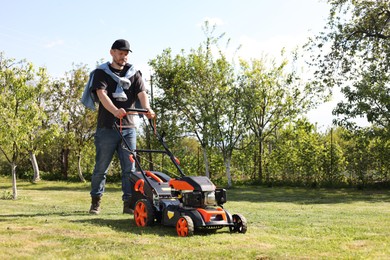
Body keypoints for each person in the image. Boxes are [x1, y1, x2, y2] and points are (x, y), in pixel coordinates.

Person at [89, 39, 155, 214]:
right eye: (120, 53)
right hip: (107, 128)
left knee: (130, 169)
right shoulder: (101, 73)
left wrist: (147, 108)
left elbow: (142, 93)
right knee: (101, 168)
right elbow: (101, 94)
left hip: (129, 129)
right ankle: (96, 202)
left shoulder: (134, 73)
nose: (123, 57)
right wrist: (114, 110)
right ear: (112, 52)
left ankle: (129, 204)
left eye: (126, 54)